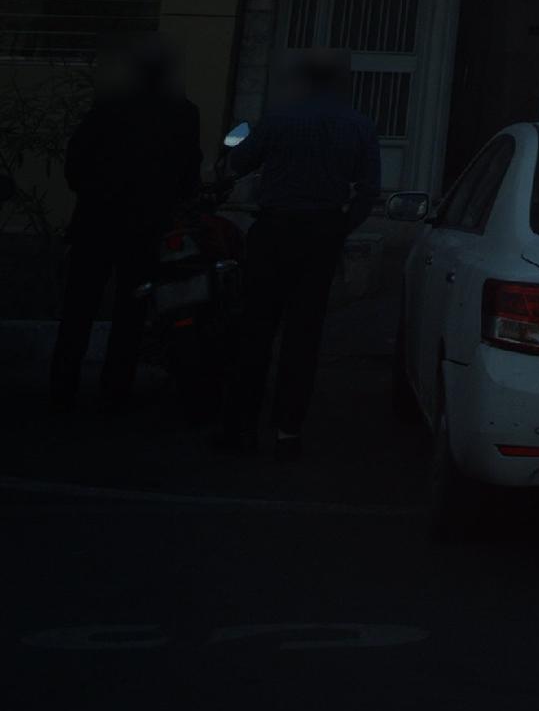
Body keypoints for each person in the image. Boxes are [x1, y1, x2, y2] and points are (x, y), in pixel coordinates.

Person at [219, 51, 380, 458]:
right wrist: (341, 227)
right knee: (303, 334)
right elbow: (369, 190)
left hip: (274, 229)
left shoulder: (279, 118)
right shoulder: (359, 126)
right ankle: (288, 429)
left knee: (256, 328)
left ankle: (241, 426)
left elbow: (238, 162)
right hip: (322, 233)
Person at [50, 35, 202, 411]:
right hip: (145, 227)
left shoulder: (108, 106)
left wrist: (92, 193)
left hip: (96, 220)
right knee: (130, 312)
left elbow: (76, 162)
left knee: (79, 307)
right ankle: (115, 389)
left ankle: (62, 388)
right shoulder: (183, 114)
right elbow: (189, 175)